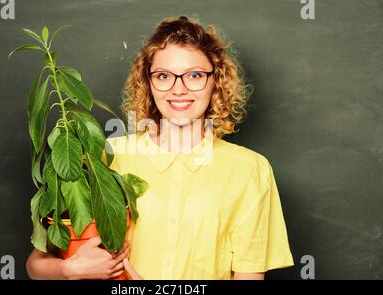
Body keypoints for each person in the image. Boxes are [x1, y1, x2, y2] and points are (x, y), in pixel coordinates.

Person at [26, 15, 294, 280]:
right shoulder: (104, 157)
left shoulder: (250, 170)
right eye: (164, 75)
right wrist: (69, 269)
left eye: (195, 75)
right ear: (148, 82)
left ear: (217, 81)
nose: (179, 89)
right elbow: (36, 266)